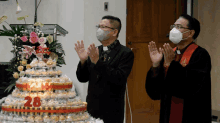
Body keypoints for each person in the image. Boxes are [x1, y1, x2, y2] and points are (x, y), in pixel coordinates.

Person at [145, 14, 211, 123]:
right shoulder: (170, 53)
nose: (174, 30)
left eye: (179, 27)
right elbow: (155, 93)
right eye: (173, 26)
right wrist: (156, 65)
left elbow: (191, 87)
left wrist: (172, 64)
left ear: (190, 33)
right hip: (168, 114)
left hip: (191, 114)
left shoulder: (200, 55)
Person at [74, 15, 134, 123]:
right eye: (99, 26)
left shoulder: (125, 53)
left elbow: (118, 78)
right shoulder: (96, 50)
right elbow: (82, 78)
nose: (99, 30)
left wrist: (98, 62)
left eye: (103, 27)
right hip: (92, 109)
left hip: (112, 111)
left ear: (114, 32)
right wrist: (83, 61)